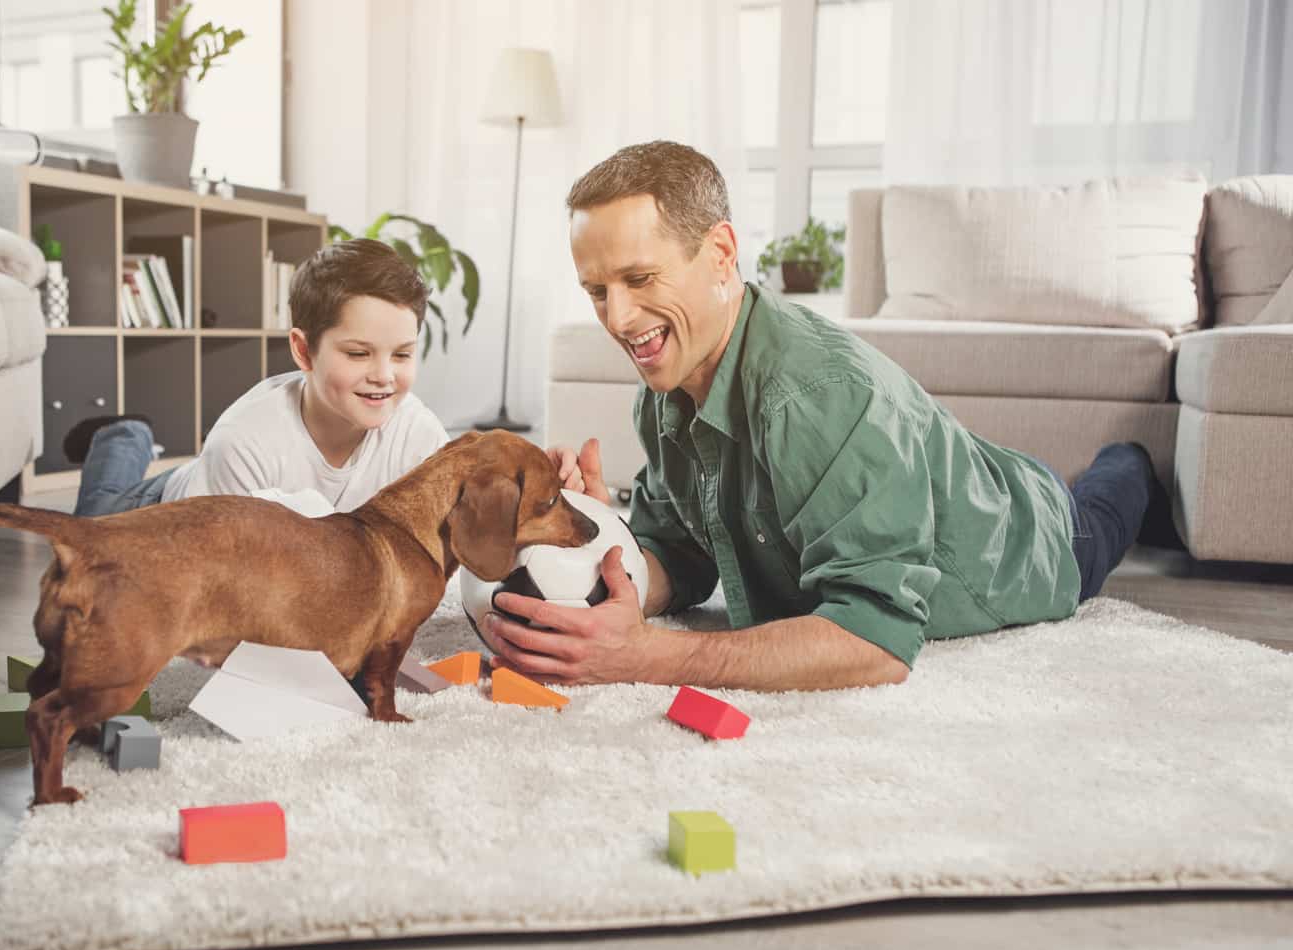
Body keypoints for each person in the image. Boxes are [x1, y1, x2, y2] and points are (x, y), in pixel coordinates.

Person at [481, 140, 1162, 692]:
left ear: (720, 256)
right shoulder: (665, 391)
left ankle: (1133, 460)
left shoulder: (816, 396)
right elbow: (683, 559)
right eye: (596, 291)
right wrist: (603, 544)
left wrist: (646, 656)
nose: (618, 318)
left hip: (1037, 538)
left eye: (639, 279)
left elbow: (875, 639)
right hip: (942, 475)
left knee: (1110, 493)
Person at [63, 238, 449, 518]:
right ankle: (125, 436)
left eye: (402, 354)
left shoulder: (419, 437)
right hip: (172, 515)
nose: (384, 376)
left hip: (223, 492)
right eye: (358, 354)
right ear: (303, 351)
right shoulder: (245, 441)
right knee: (92, 531)